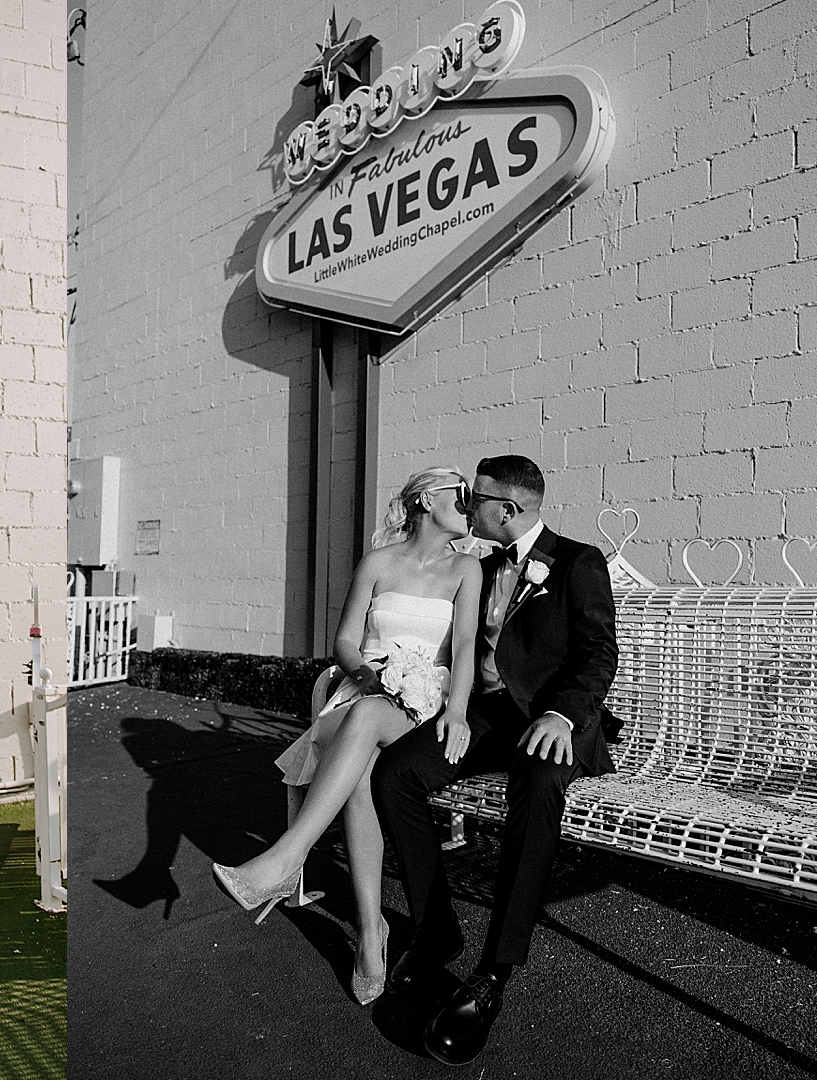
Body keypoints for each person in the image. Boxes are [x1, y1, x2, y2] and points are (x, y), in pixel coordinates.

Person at [372, 454, 619, 1067]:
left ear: (506, 510)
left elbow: (597, 654)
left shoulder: (577, 562)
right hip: (483, 718)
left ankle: (492, 977)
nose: (466, 501)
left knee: (535, 792)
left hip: (549, 719)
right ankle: (435, 929)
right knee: (396, 775)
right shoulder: (480, 564)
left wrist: (562, 715)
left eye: (474, 496)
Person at [212, 467, 482, 1005]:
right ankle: (371, 934)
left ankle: (286, 860)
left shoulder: (466, 568)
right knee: (359, 774)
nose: (470, 505)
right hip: (365, 691)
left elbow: (468, 644)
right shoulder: (377, 563)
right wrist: (367, 673)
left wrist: (457, 710)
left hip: (424, 704)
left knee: (362, 725)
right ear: (428, 499)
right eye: (461, 496)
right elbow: (344, 640)